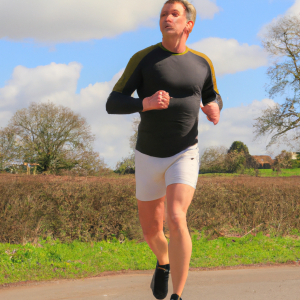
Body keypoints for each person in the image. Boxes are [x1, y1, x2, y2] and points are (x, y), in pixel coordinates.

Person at [106, 1, 222, 299]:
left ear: (188, 25)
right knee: (151, 231)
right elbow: (113, 102)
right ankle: (163, 261)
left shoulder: (202, 62)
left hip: (185, 151)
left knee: (176, 216)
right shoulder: (144, 59)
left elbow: (213, 95)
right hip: (148, 154)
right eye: (163, 14)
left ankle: (178, 295)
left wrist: (215, 107)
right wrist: (142, 103)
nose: (167, 19)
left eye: (174, 14)